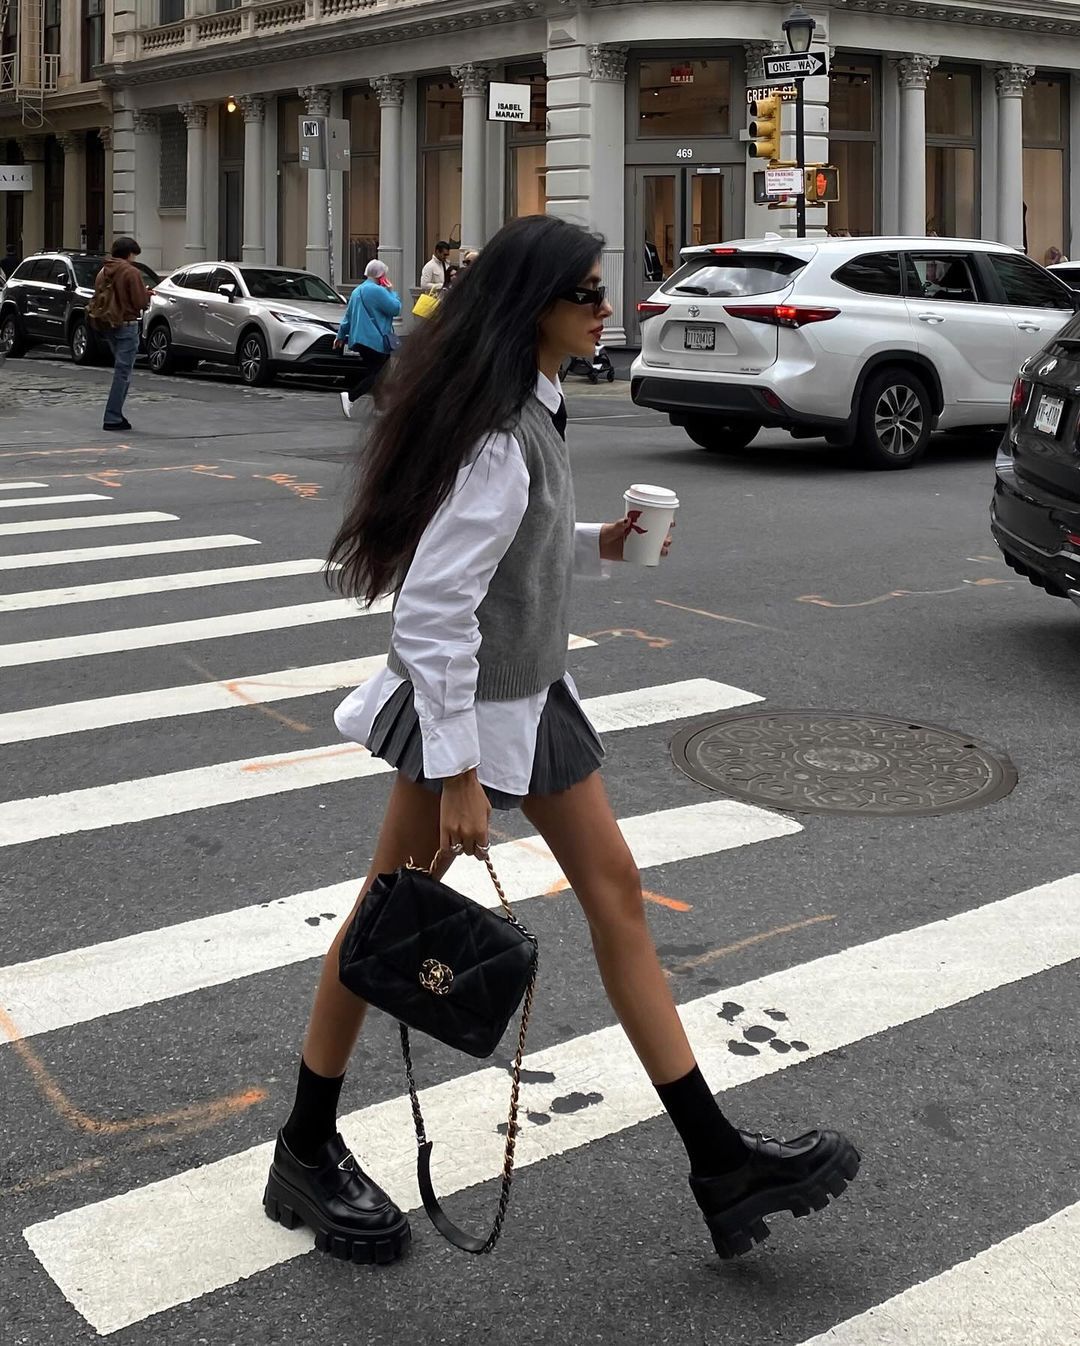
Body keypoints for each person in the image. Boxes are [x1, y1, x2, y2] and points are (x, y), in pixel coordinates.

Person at [263, 214, 859, 1267]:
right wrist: (453, 772)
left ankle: (720, 1162)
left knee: (614, 894)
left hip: (529, 698)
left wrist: (603, 542)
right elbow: (433, 611)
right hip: (474, 714)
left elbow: (516, 551)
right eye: (587, 292)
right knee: (385, 923)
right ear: (531, 306)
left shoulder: (534, 408)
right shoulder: (498, 434)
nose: (606, 306)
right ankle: (305, 1147)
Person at [92, 237, 150, 432]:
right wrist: (147, 295)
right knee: (122, 372)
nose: (134, 258)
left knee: (120, 369)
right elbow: (140, 302)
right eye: (134, 255)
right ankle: (113, 416)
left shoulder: (103, 271)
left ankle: (115, 414)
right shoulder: (130, 271)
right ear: (129, 253)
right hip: (127, 324)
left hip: (108, 323)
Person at [334, 259, 401, 420]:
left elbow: (348, 318)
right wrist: (391, 291)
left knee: (377, 373)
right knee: (379, 374)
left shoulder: (357, 291)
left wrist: (340, 336)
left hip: (361, 339)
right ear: (380, 275)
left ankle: (380, 407)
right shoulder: (378, 291)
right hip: (376, 340)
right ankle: (350, 396)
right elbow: (395, 308)